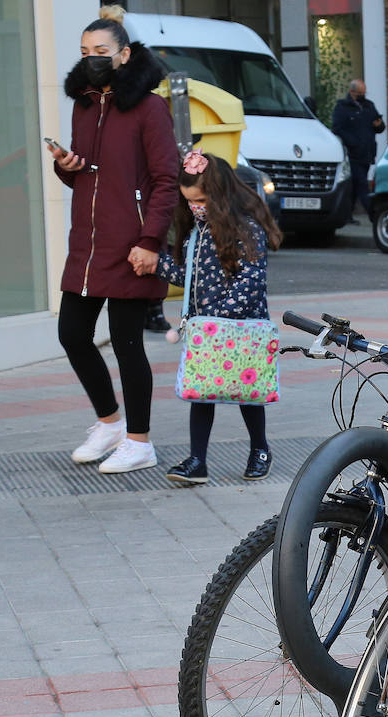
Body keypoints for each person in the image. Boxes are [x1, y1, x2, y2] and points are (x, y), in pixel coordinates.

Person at [48, 5, 177, 474]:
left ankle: (140, 442)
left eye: (101, 51)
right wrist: (67, 167)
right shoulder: (84, 104)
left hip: (132, 244)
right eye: (84, 52)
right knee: (72, 333)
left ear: (124, 54)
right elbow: (87, 176)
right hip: (87, 242)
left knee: (126, 343)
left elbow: (167, 179)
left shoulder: (150, 107)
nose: (92, 58)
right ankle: (109, 423)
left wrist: (150, 241)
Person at [130, 150, 283, 484]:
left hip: (238, 329)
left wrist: (219, 320)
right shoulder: (196, 232)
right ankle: (197, 460)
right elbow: (190, 276)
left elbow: (251, 279)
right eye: (189, 202)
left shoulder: (247, 229)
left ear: (219, 194)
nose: (194, 207)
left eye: (199, 200)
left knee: (248, 392)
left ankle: (260, 448)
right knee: (201, 392)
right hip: (207, 331)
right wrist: (158, 265)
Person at [330, 79, 384, 223]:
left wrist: (379, 125)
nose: (363, 95)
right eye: (360, 93)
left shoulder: (369, 106)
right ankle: (375, 216)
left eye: (364, 93)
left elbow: (379, 127)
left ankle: (347, 216)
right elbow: (337, 129)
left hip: (367, 154)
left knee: (354, 186)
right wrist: (353, 142)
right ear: (352, 92)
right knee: (362, 185)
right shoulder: (342, 107)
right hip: (352, 154)